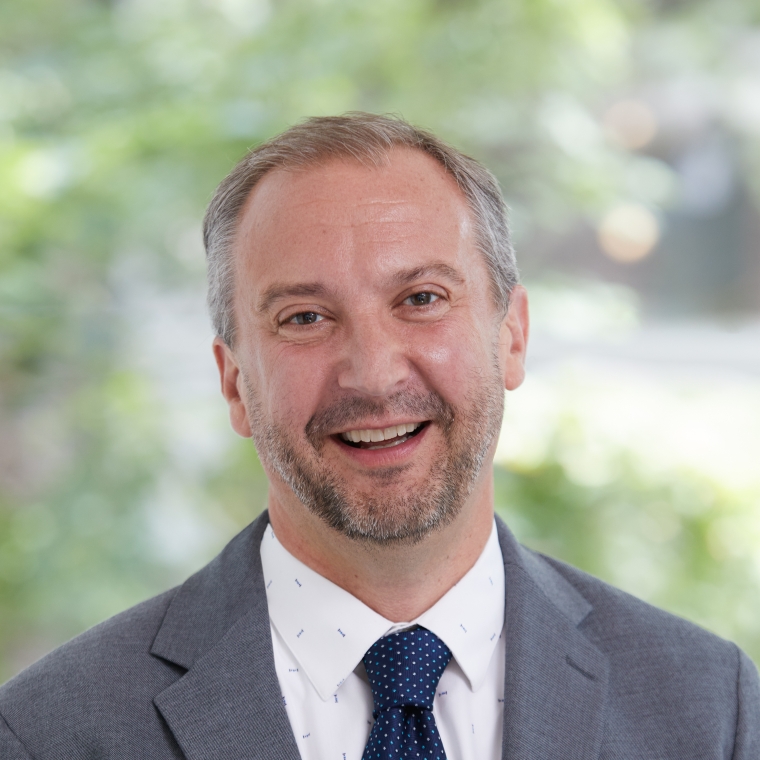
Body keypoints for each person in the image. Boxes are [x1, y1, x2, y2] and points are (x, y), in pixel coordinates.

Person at [0, 113, 757, 759]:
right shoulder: (50, 733)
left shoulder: (707, 708)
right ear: (235, 383)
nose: (370, 372)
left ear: (512, 336)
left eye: (421, 298)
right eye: (304, 317)